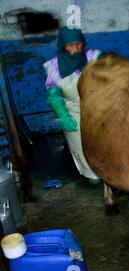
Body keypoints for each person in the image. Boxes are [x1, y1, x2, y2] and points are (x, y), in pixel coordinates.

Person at [44, 27, 101, 183]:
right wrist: (63, 115)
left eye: (78, 44)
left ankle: (110, 172)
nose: (75, 49)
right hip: (72, 111)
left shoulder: (92, 58)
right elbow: (54, 96)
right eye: (70, 45)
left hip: (96, 107)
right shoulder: (54, 66)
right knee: (81, 145)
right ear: (63, 46)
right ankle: (92, 175)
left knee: (103, 142)